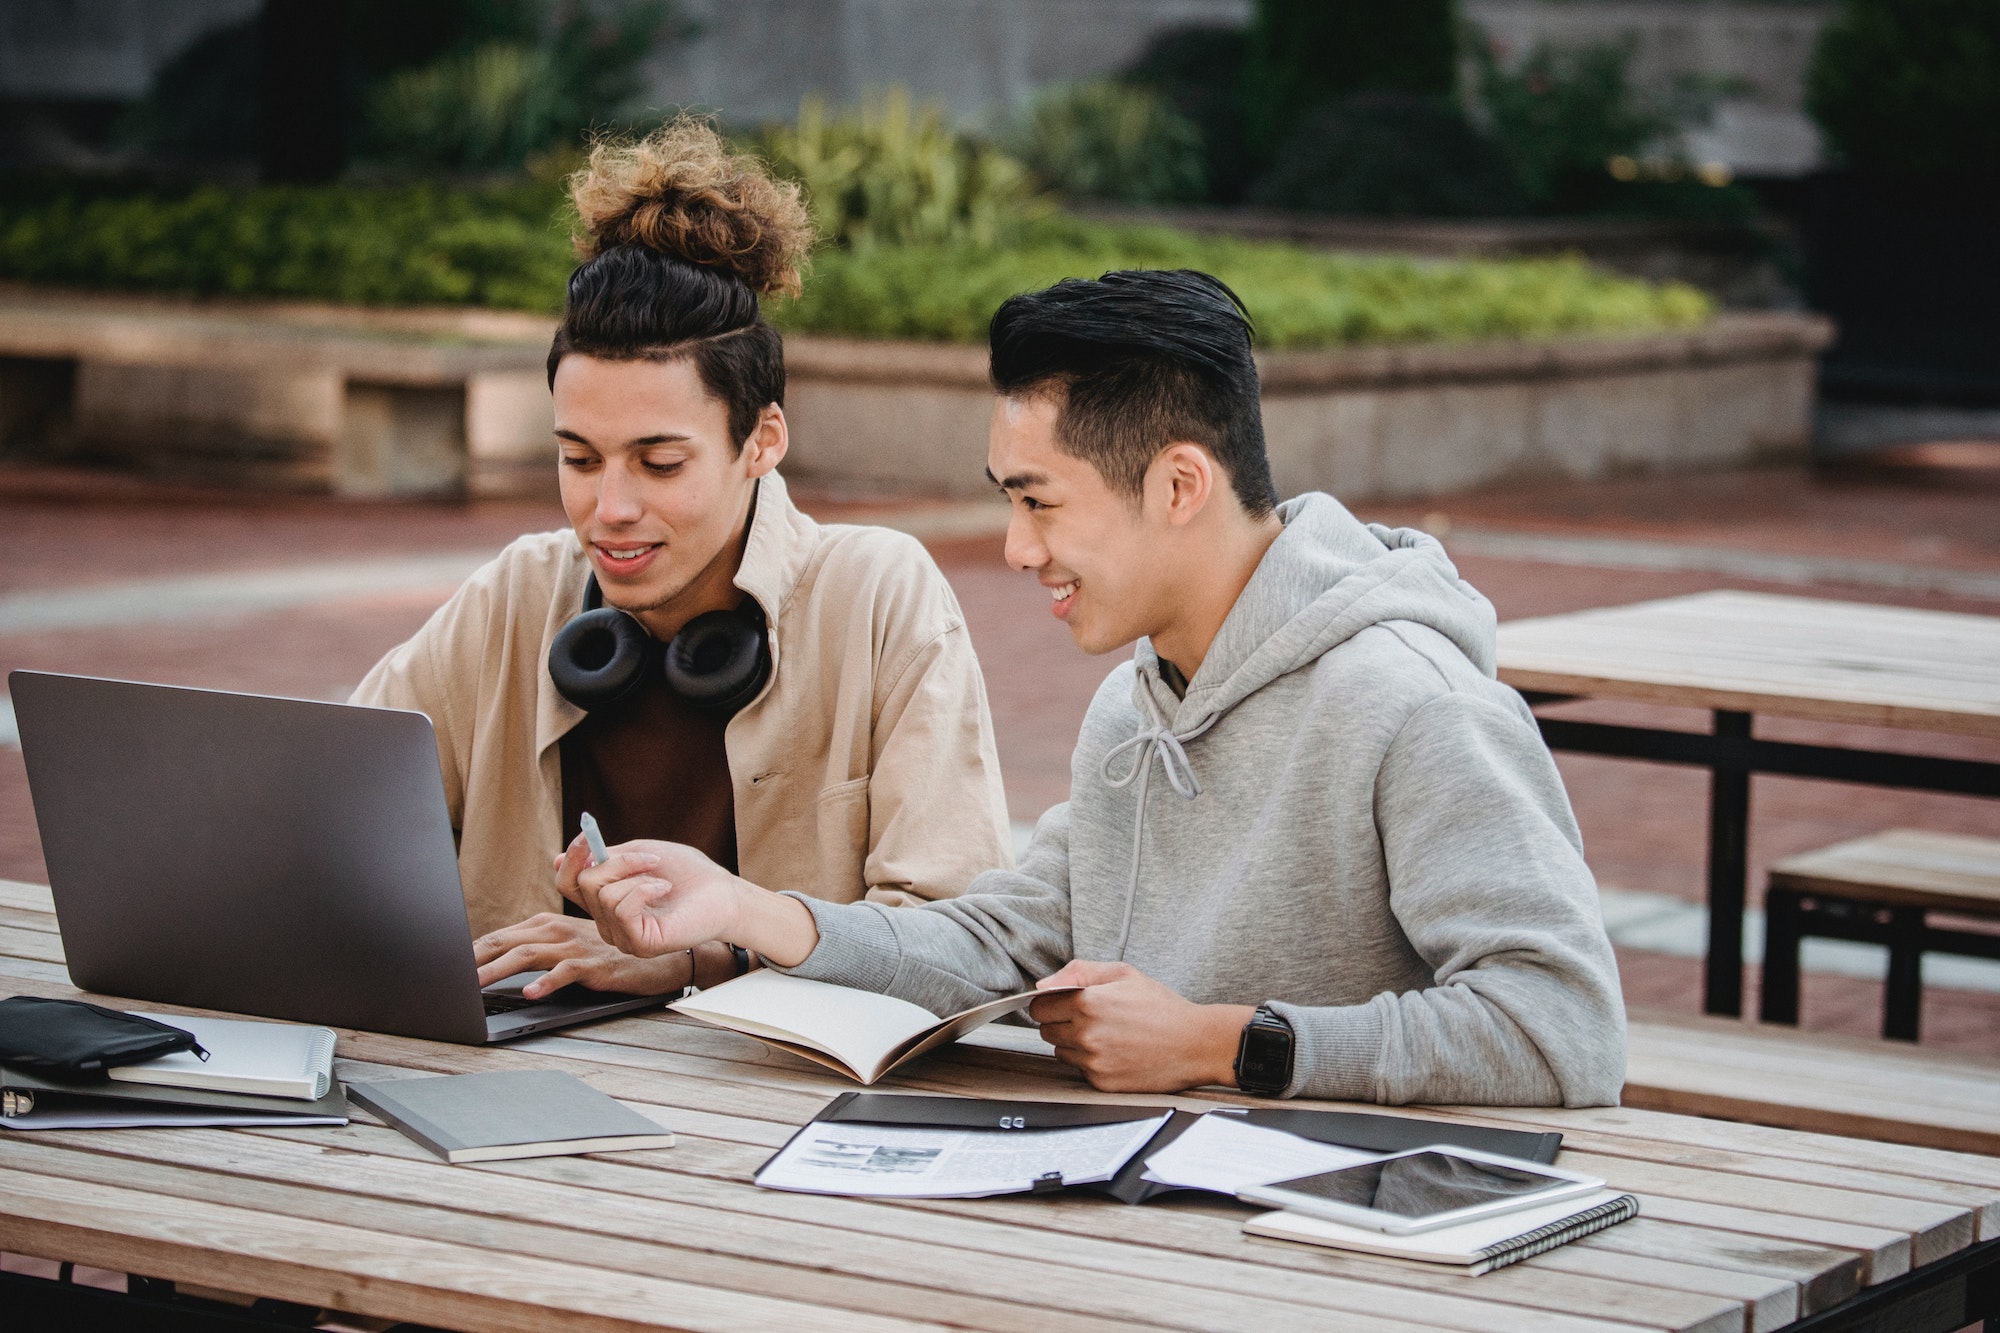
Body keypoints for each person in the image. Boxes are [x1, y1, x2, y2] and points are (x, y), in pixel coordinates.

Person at [560, 268, 1626, 1106]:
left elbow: (1561, 1026)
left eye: (1038, 502)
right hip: (1157, 1220)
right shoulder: (1135, 704)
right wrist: (748, 911)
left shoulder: (1414, 704)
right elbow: (993, 943)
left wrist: (1221, 1041)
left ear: (1177, 485)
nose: (1016, 549)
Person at [352, 120, 1011, 1000]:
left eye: (660, 463)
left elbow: (958, 954)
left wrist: (698, 956)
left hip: (771, 1109)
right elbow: (323, 819)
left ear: (762, 440)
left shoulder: (879, 595)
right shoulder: (516, 594)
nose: (609, 509)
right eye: (578, 460)